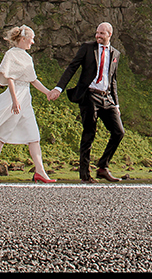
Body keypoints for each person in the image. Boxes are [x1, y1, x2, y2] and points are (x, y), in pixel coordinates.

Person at [0, 25, 57, 184]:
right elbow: (10, 78)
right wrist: (14, 100)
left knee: (34, 136)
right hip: (15, 97)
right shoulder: (11, 54)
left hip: (26, 98)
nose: (32, 42)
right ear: (23, 39)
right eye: (31, 39)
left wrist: (48, 92)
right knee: (1, 136)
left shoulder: (27, 57)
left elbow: (33, 80)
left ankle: (40, 172)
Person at [49, 21, 125, 183]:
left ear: (109, 34)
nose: (98, 36)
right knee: (89, 133)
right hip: (89, 95)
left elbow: (113, 80)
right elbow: (72, 67)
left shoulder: (115, 54)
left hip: (107, 97)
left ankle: (103, 167)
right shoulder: (87, 48)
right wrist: (58, 88)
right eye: (97, 32)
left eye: (101, 33)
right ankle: (85, 175)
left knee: (119, 132)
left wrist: (116, 104)